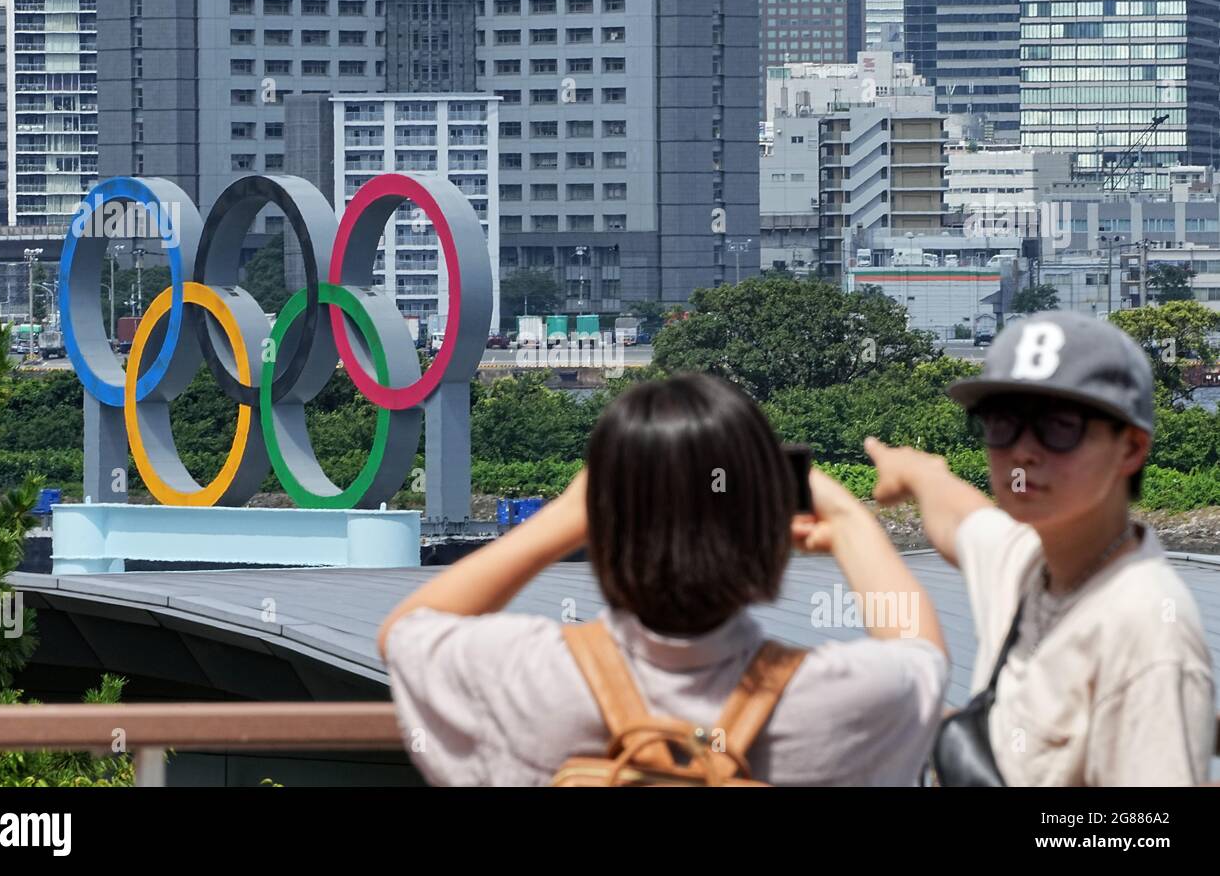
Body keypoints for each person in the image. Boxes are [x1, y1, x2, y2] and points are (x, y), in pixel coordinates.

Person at [377, 373, 948, 786]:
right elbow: (921, 655)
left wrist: (565, 515)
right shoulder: (846, 696)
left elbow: (405, 632)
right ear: (771, 534)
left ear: (601, 527)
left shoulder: (523, 675)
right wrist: (849, 521)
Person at [866, 311, 1215, 786]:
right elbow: (960, 517)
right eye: (1003, 422)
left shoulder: (1146, 630)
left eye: (1059, 426)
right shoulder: (1034, 562)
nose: (1023, 452)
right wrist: (910, 471)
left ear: (1131, 448)